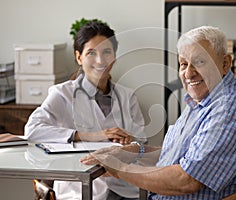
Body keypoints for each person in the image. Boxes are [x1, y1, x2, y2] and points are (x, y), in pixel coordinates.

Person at [80, 26, 236, 199]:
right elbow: (180, 157)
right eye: (183, 64)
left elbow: (186, 180)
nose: (189, 73)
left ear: (225, 64)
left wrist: (118, 168)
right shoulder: (204, 101)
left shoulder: (229, 109)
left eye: (200, 62)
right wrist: (134, 152)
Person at [25, 21, 146, 200]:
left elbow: (142, 142)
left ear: (114, 56)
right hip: (79, 189)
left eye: (106, 52)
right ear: (79, 57)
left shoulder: (127, 96)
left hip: (125, 187)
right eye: (91, 53)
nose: (100, 60)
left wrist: (131, 143)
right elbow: (32, 130)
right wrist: (92, 135)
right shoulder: (62, 94)